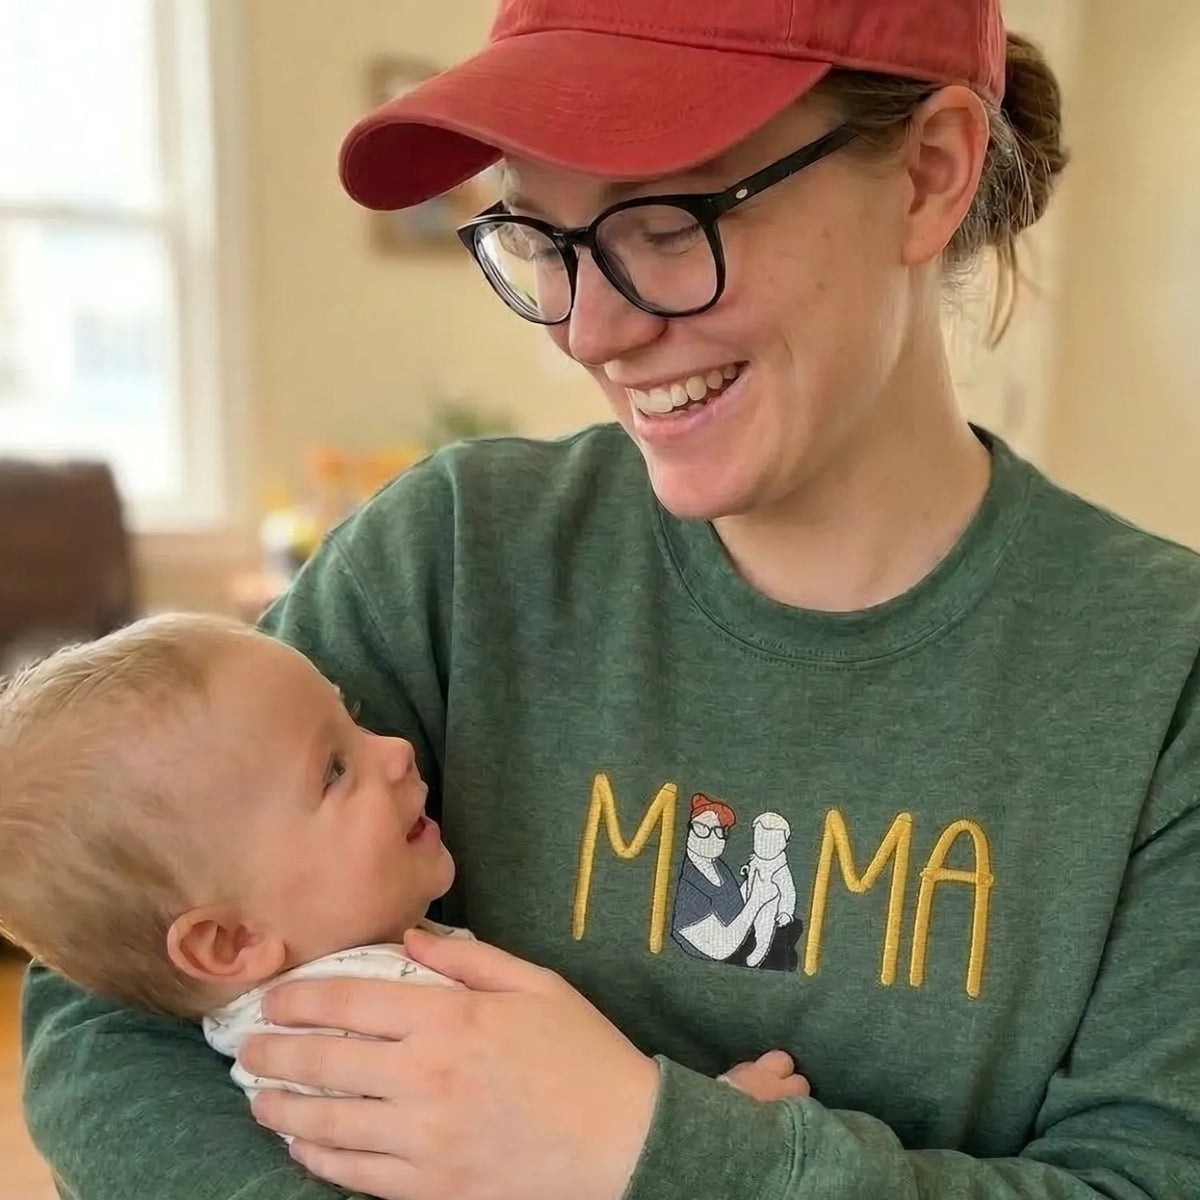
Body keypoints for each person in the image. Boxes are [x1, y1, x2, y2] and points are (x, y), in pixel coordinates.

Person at [20, 0, 1200, 1197]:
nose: (593, 330)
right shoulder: (454, 556)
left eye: (670, 221)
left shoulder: (1165, 680)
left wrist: (637, 1145)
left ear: (929, 174)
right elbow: (113, 1014)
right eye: (541, 233)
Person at [0, 613, 806, 1119]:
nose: (392, 750)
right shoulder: (380, 1028)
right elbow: (570, 1145)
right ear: (229, 942)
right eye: (332, 771)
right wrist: (717, 1121)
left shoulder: (304, 1018)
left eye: (352, 720)